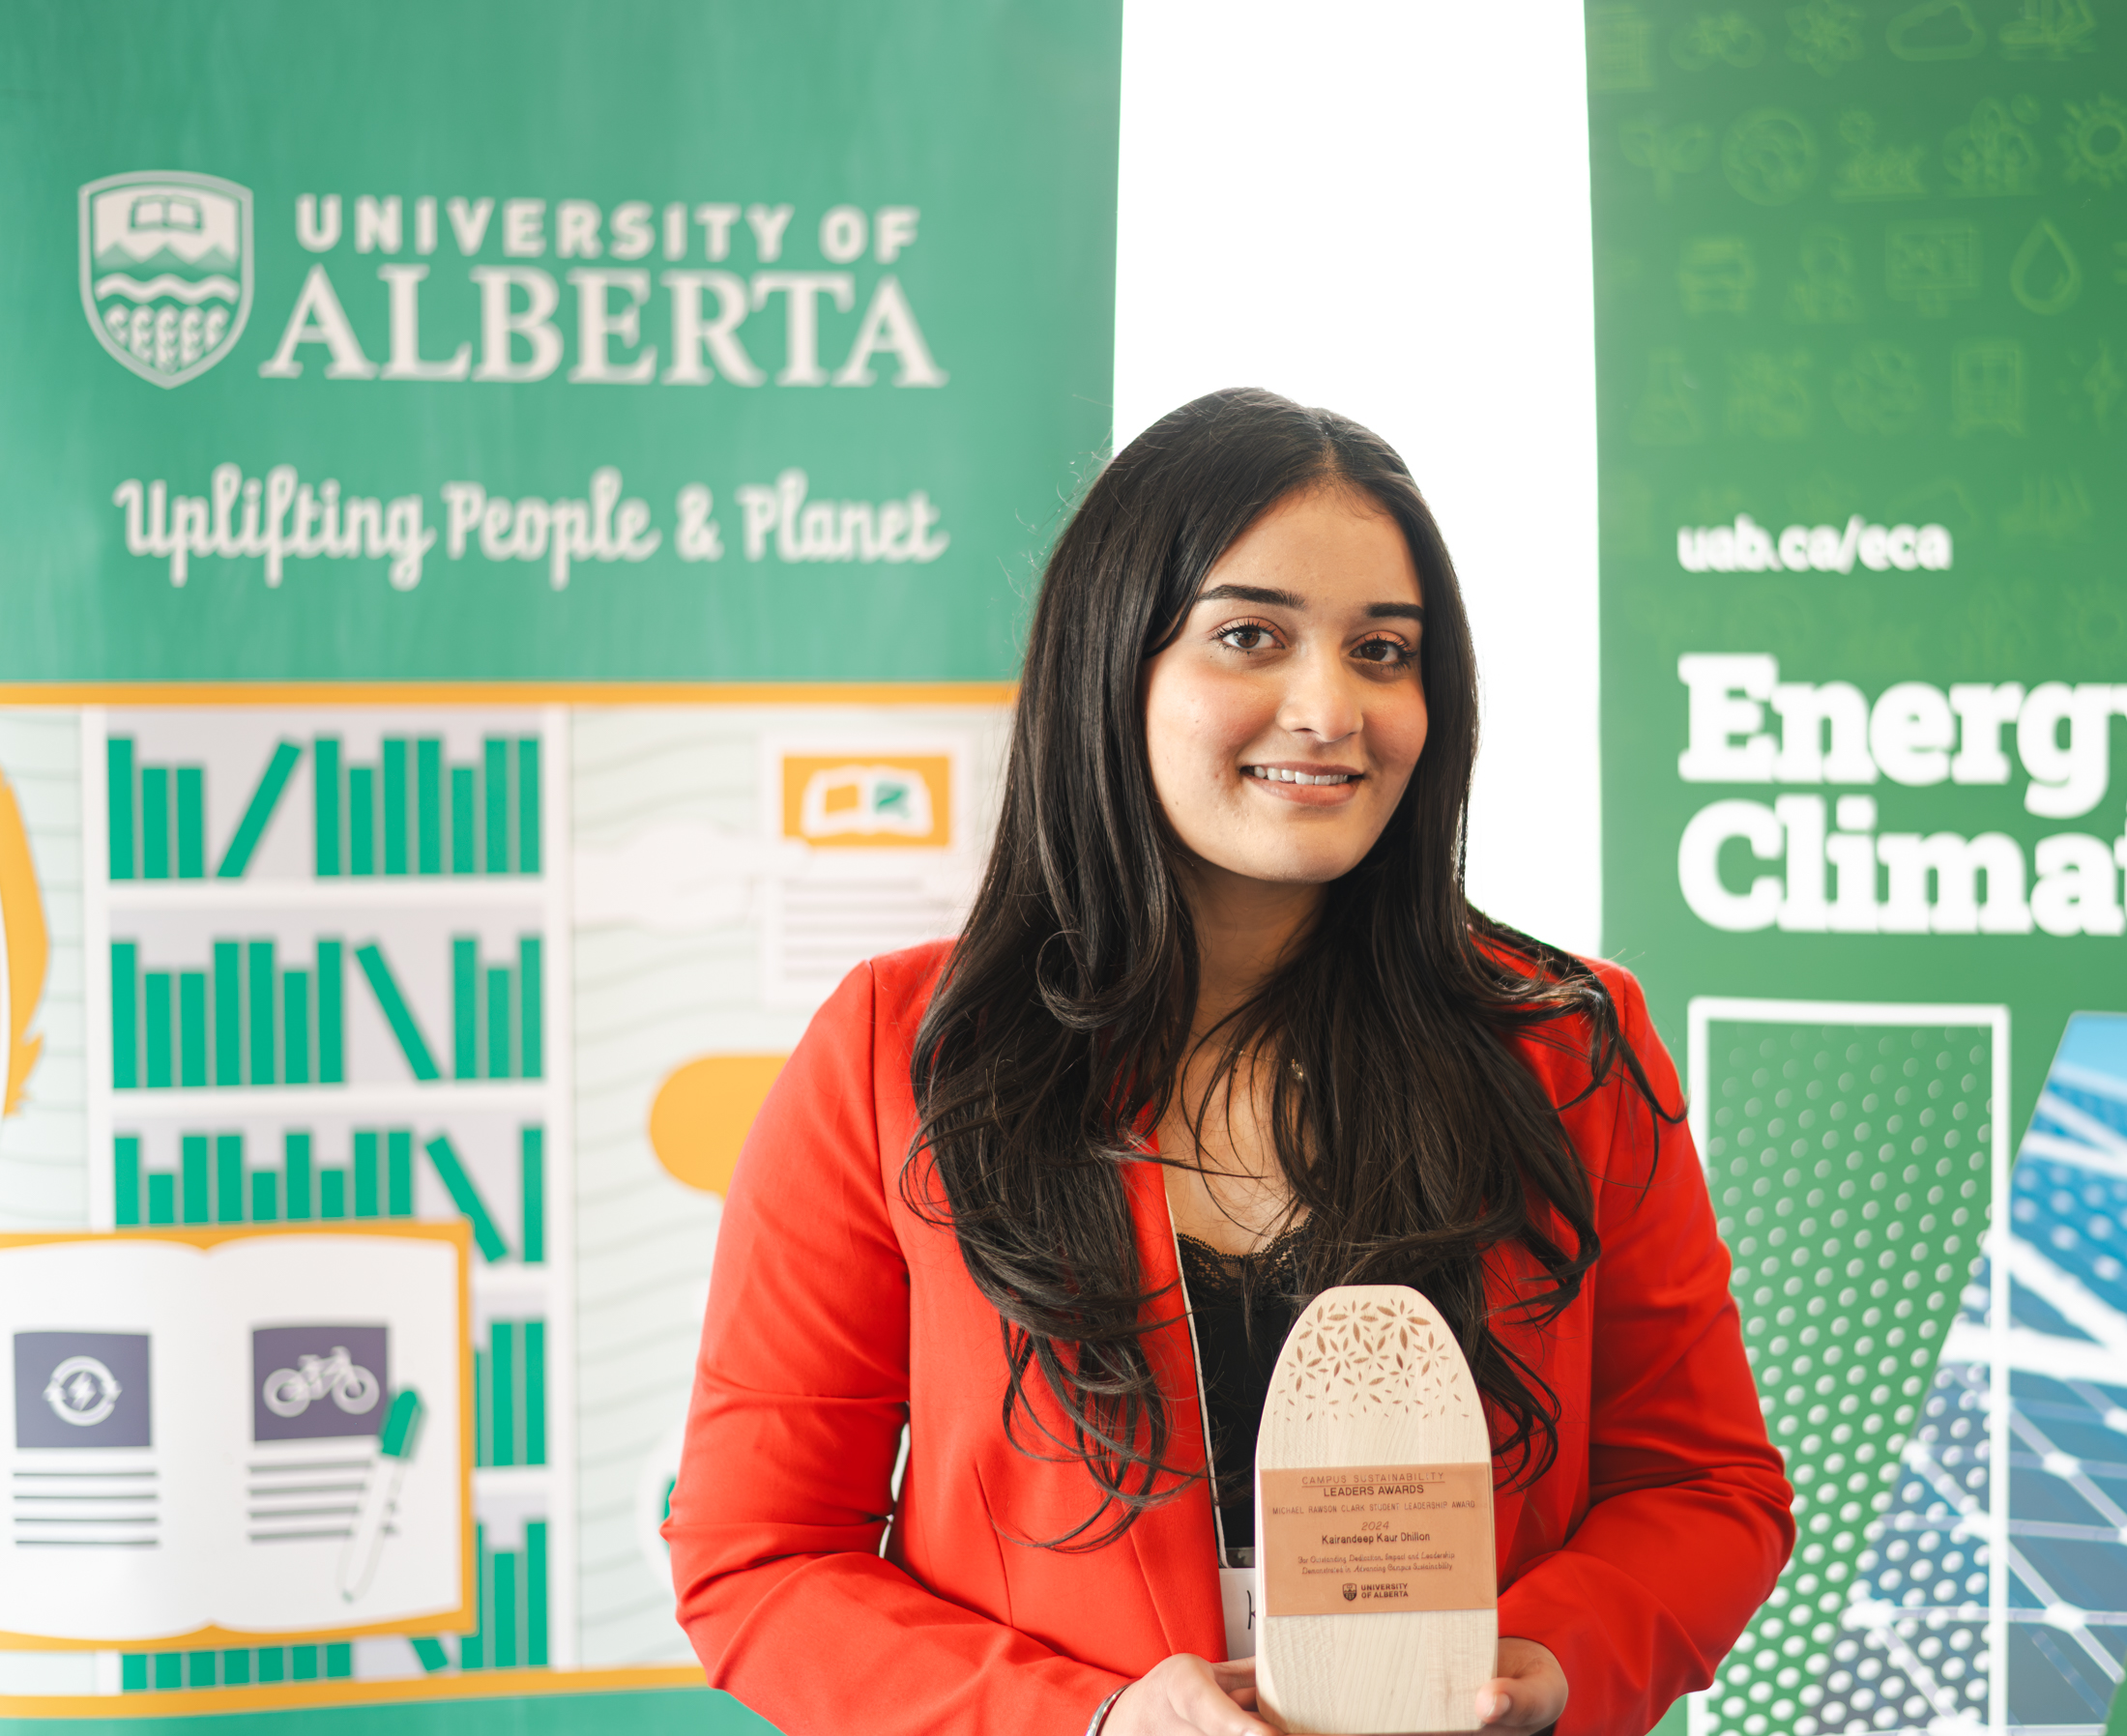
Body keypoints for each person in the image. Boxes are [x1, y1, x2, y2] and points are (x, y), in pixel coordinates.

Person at [666, 388, 1794, 1735]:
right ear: (1112, 664)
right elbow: (762, 1558)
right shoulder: (900, 1055)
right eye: (1250, 636)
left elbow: (1704, 1488)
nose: (1330, 707)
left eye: (1384, 651)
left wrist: (1546, 1667)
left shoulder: (1564, 1041)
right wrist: (1087, 1724)